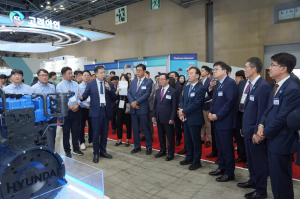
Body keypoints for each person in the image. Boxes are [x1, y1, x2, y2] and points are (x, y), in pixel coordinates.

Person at [254, 53, 300, 199]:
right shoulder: (276, 86)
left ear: (283, 68)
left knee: (281, 181)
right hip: (272, 139)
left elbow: (282, 117)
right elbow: (267, 109)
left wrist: (264, 133)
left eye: (273, 65)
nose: (269, 68)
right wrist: (261, 124)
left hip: (281, 141)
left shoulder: (292, 89)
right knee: (274, 179)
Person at [236, 57, 271, 199]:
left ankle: (261, 190)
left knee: (259, 162)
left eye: (246, 67)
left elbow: (262, 112)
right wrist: (244, 127)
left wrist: (258, 132)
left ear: (254, 69)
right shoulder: (250, 84)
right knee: (250, 160)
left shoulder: (263, 86)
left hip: (256, 132)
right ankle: (253, 180)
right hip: (247, 129)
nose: (244, 70)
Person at [78, 65, 117, 163]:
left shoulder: (109, 84)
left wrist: (109, 89)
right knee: (95, 134)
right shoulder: (90, 84)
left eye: (104, 72)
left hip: (106, 111)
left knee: (104, 134)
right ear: (96, 74)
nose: (104, 74)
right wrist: (81, 97)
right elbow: (85, 95)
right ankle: (96, 153)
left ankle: (103, 151)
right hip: (95, 112)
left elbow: (114, 97)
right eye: (101, 72)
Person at [208, 61, 238, 182]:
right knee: (220, 147)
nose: (214, 71)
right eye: (213, 69)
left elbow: (229, 103)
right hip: (216, 120)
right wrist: (211, 112)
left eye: (216, 69)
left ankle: (230, 172)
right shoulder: (218, 83)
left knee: (227, 148)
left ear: (224, 71)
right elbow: (213, 100)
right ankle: (222, 167)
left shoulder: (230, 83)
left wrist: (217, 115)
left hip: (224, 121)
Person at [178, 67, 205, 170]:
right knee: (188, 140)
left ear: (197, 76)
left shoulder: (200, 88)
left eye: (191, 73)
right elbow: (182, 99)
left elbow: (196, 104)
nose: (188, 75)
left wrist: (183, 111)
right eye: (188, 73)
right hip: (185, 118)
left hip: (194, 118)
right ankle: (189, 157)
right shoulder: (187, 87)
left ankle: (197, 161)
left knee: (195, 141)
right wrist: (181, 110)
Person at [56, 67, 83, 158]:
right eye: (69, 73)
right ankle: (67, 150)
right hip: (66, 112)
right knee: (66, 132)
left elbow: (79, 96)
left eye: (71, 73)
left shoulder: (75, 84)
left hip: (76, 110)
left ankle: (76, 148)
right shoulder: (60, 85)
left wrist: (78, 105)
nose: (71, 75)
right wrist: (70, 106)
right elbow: (59, 99)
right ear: (63, 75)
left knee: (76, 131)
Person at [127, 64, 153, 155]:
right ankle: (137, 146)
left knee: (146, 129)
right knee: (135, 129)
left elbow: (146, 95)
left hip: (143, 109)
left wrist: (136, 102)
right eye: (137, 70)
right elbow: (129, 93)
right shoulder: (133, 82)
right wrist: (132, 103)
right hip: (134, 109)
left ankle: (149, 147)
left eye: (140, 70)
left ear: (144, 71)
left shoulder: (148, 82)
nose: (138, 72)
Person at [29, 69, 56, 150]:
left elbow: (54, 99)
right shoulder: (33, 88)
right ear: (38, 77)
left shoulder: (52, 86)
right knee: (40, 136)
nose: (44, 77)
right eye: (42, 75)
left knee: (52, 134)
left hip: (51, 114)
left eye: (46, 75)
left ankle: (52, 151)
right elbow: (31, 103)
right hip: (39, 116)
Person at [152, 73, 177, 161]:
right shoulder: (158, 91)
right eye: (159, 79)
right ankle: (162, 150)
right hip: (159, 118)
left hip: (168, 118)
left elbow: (174, 107)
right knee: (161, 136)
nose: (160, 81)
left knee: (170, 137)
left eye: (162, 79)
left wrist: (172, 118)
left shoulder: (173, 91)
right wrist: (153, 115)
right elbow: (155, 105)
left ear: (167, 80)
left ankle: (171, 153)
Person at [115, 74, 132, 147]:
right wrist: (117, 91)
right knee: (119, 123)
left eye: (124, 79)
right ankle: (119, 139)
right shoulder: (118, 87)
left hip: (127, 105)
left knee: (128, 123)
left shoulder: (130, 87)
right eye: (121, 79)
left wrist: (127, 93)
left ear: (127, 80)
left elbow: (131, 97)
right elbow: (114, 97)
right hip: (119, 105)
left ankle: (128, 140)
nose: (123, 80)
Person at [78, 70, 93, 151]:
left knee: (91, 126)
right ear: (82, 77)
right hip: (82, 109)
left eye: (88, 75)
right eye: (85, 75)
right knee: (81, 126)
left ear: (90, 76)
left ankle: (90, 141)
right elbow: (79, 99)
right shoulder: (79, 86)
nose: (86, 77)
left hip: (91, 108)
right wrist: (85, 105)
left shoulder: (92, 85)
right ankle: (82, 142)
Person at [140, 71, 155, 140]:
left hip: (149, 106)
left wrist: (142, 100)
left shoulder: (152, 84)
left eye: (145, 75)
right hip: (142, 106)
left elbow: (151, 95)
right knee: (142, 122)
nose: (144, 77)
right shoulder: (141, 84)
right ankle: (143, 135)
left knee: (149, 123)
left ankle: (150, 136)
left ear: (148, 76)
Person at [169, 71, 183, 146]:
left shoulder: (179, 86)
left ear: (176, 77)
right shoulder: (167, 85)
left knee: (177, 125)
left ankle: (178, 139)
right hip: (169, 108)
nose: (170, 76)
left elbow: (180, 98)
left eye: (172, 75)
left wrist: (178, 108)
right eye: (170, 75)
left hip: (176, 107)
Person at [200, 66, 212, 147]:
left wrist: (202, 99)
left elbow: (211, 95)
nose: (201, 72)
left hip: (206, 104)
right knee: (201, 123)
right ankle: (201, 138)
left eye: (203, 70)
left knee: (207, 124)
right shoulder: (199, 81)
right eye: (200, 70)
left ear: (207, 72)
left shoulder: (210, 82)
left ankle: (208, 139)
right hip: (199, 105)